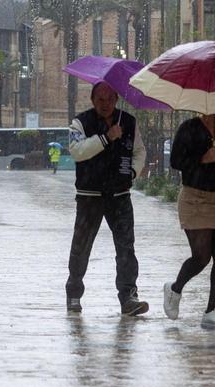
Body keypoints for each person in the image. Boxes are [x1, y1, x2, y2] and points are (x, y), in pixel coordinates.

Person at [65, 82, 148, 316]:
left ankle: (129, 297)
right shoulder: (80, 123)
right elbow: (77, 151)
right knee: (81, 247)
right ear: (92, 99)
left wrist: (132, 172)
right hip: (89, 196)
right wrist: (105, 138)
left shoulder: (129, 122)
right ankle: (73, 293)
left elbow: (139, 151)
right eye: (100, 99)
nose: (105, 104)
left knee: (126, 248)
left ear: (117, 98)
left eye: (110, 99)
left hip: (120, 195)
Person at [161, 112, 215, 330]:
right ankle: (175, 288)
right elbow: (176, 162)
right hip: (195, 198)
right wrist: (202, 158)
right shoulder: (189, 128)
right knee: (201, 256)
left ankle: (211, 311)